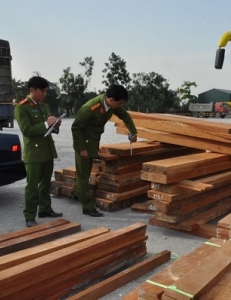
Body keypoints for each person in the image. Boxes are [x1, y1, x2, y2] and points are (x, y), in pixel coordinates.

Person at [72, 84, 138, 217]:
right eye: (119, 103)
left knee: (85, 172)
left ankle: (78, 194)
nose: (120, 106)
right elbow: (76, 128)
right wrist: (81, 149)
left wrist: (133, 132)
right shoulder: (90, 108)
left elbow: (125, 116)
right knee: (84, 176)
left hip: (93, 142)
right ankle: (87, 207)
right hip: (84, 144)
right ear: (111, 99)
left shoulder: (111, 105)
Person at [14, 76, 63, 227]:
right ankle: (29, 216)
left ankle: (45, 209)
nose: (44, 94)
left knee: (46, 184)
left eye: (46, 91)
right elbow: (27, 130)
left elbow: (48, 128)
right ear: (32, 90)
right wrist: (45, 123)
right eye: (42, 91)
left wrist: (55, 126)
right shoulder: (22, 107)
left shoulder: (43, 105)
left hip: (47, 150)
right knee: (32, 187)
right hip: (34, 154)